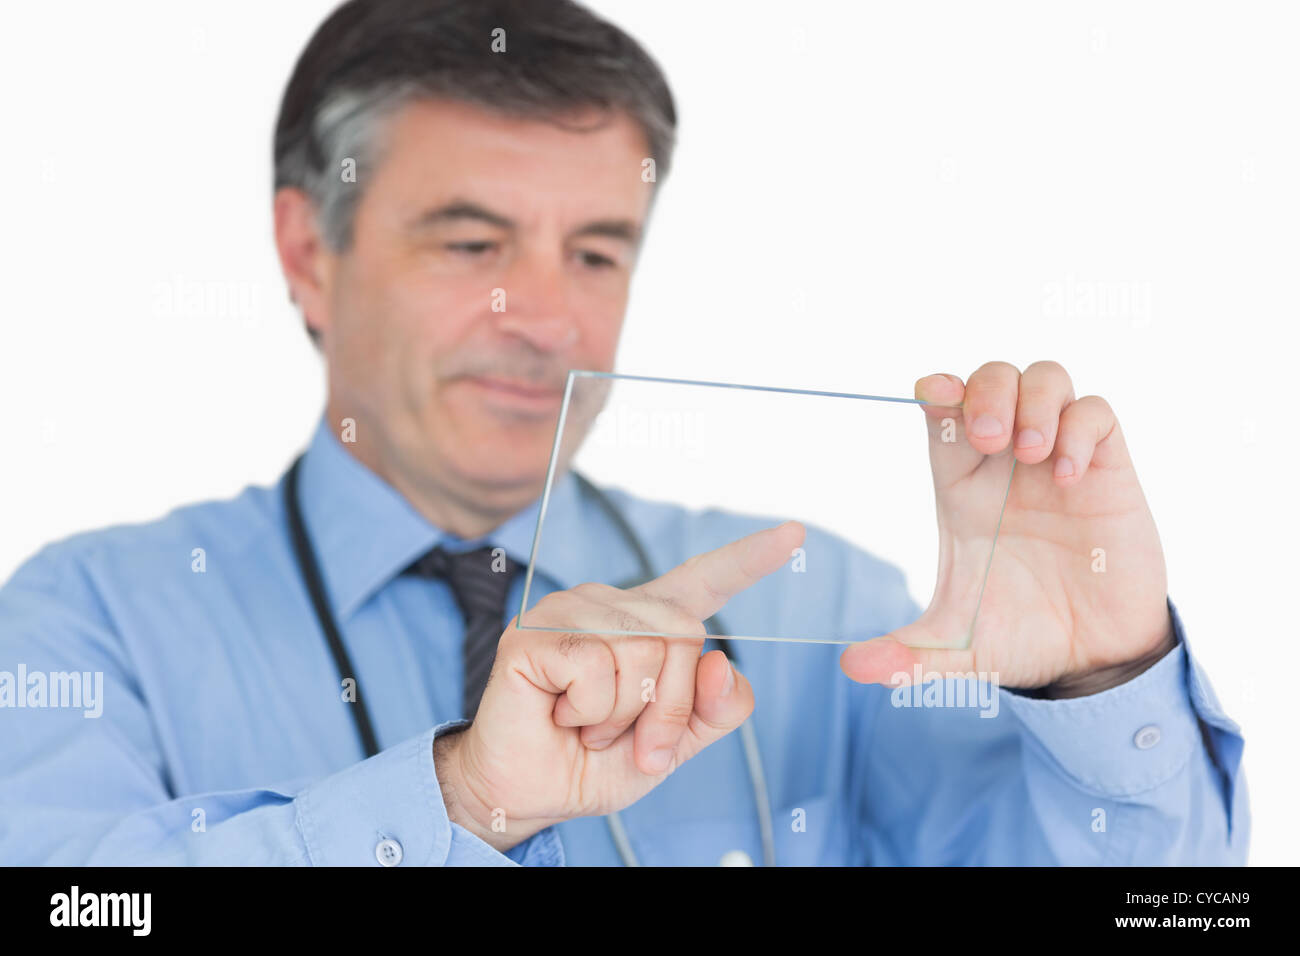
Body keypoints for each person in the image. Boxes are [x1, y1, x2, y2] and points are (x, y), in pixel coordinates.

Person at [0, 0, 1247, 866]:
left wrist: (1095, 682)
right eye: (472, 242)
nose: (546, 317)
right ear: (305, 253)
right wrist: (465, 797)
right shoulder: (88, 618)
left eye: (596, 250)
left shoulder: (829, 621)